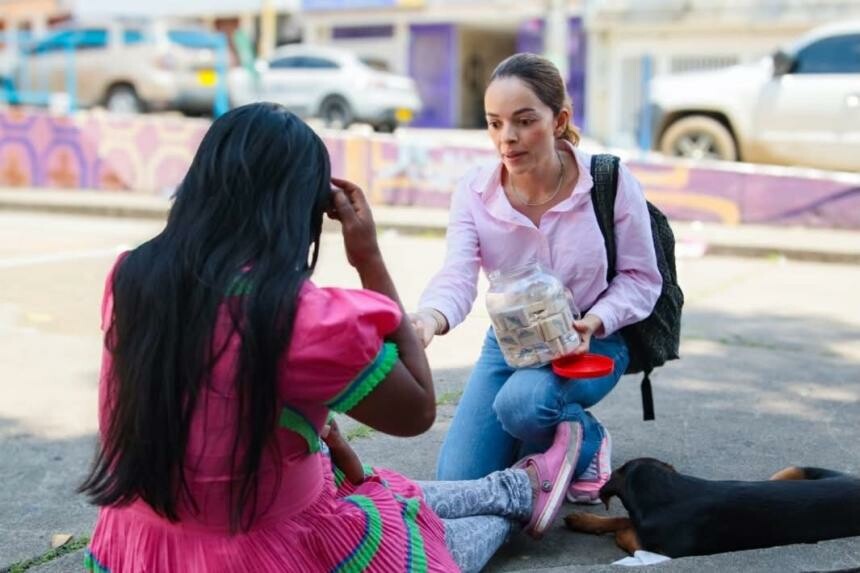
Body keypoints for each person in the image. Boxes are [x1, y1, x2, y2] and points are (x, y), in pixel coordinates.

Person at [78, 102, 578, 573]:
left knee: (354, 477)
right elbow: (418, 409)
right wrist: (370, 260)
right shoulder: (296, 314)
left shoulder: (131, 276)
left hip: (141, 544)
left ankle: (517, 488)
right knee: (446, 541)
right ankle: (517, 502)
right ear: (305, 211)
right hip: (265, 550)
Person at [410, 53, 662, 502]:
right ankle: (545, 440)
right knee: (458, 484)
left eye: (524, 121)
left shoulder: (609, 181)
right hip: (512, 344)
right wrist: (429, 318)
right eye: (494, 123)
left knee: (521, 406)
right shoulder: (473, 191)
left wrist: (596, 321)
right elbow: (459, 274)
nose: (507, 138)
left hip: (590, 340)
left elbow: (641, 278)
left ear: (559, 119)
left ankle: (587, 439)